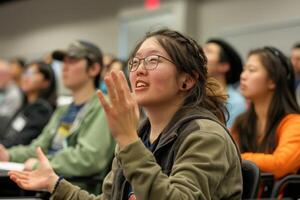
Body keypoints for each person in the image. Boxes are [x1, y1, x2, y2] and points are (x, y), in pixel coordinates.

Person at [9, 29, 242, 200]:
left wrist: (128, 141)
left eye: (153, 60)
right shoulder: (139, 134)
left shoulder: (206, 135)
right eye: (136, 62)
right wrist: (55, 184)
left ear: (187, 80)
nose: (139, 69)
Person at [1, 40, 115, 193]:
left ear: (94, 68)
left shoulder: (103, 106)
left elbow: (89, 158)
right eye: (64, 62)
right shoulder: (64, 109)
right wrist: (8, 154)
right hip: (47, 185)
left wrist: (41, 164)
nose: (64, 67)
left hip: (77, 190)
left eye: (73, 61)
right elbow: (39, 147)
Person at [232, 46, 300, 179]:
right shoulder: (242, 122)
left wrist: (234, 158)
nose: (243, 76)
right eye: (244, 70)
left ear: (272, 81)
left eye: (252, 70)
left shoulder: (294, 123)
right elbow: (222, 152)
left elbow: (281, 165)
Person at [0, 61, 57, 148]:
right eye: (25, 73)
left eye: (32, 73)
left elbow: (23, 141)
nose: (26, 77)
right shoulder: (25, 105)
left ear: (46, 82)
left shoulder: (41, 109)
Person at [204, 39, 246, 128]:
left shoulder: (236, 102)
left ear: (224, 66)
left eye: (208, 51)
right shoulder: (193, 96)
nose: (200, 54)